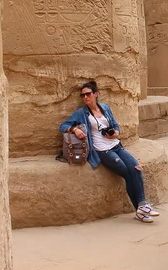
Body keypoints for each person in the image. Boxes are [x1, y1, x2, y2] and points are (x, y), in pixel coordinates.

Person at [59, 81, 159, 223]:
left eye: (88, 94)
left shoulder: (105, 108)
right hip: (102, 150)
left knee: (136, 168)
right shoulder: (81, 113)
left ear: (96, 94)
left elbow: (115, 125)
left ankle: (142, 207)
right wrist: (75, 129)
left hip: (116, 145)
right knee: (126, 172)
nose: (85, 97)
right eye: (83, 95)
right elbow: (63, 125)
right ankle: (142, 209)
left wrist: (116, 133)